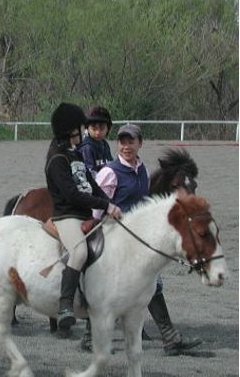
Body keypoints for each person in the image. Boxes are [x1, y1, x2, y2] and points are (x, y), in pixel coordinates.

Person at [91, 124, 202, 355]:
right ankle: (89, 336)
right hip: (114, 234)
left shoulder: (142, 170)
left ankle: (169, 338)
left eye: (130, 141)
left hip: (137, 237)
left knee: (152, 282)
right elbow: (94, 206)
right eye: (122, 141)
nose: (126, 146)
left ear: (140, 143)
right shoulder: (110, 172)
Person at [45, 102, 122, 335]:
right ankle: (65, 305)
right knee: (79, 252)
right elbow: (72, 194)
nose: (84, 131)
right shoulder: (57, 159)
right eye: (80, 127)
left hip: (85, 214)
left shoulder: (75, 154)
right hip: (67, 216)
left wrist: (110, 205)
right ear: (71, 130)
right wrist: (103, 204)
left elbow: (92, 185)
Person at [78, 106, 113, 177]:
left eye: (102, 128)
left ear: (107, 129)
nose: (98, 132)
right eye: (94, 129)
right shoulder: (87, 148)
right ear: (87, 128)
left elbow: (111, 165)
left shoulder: (105, 144)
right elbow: (90, 174)